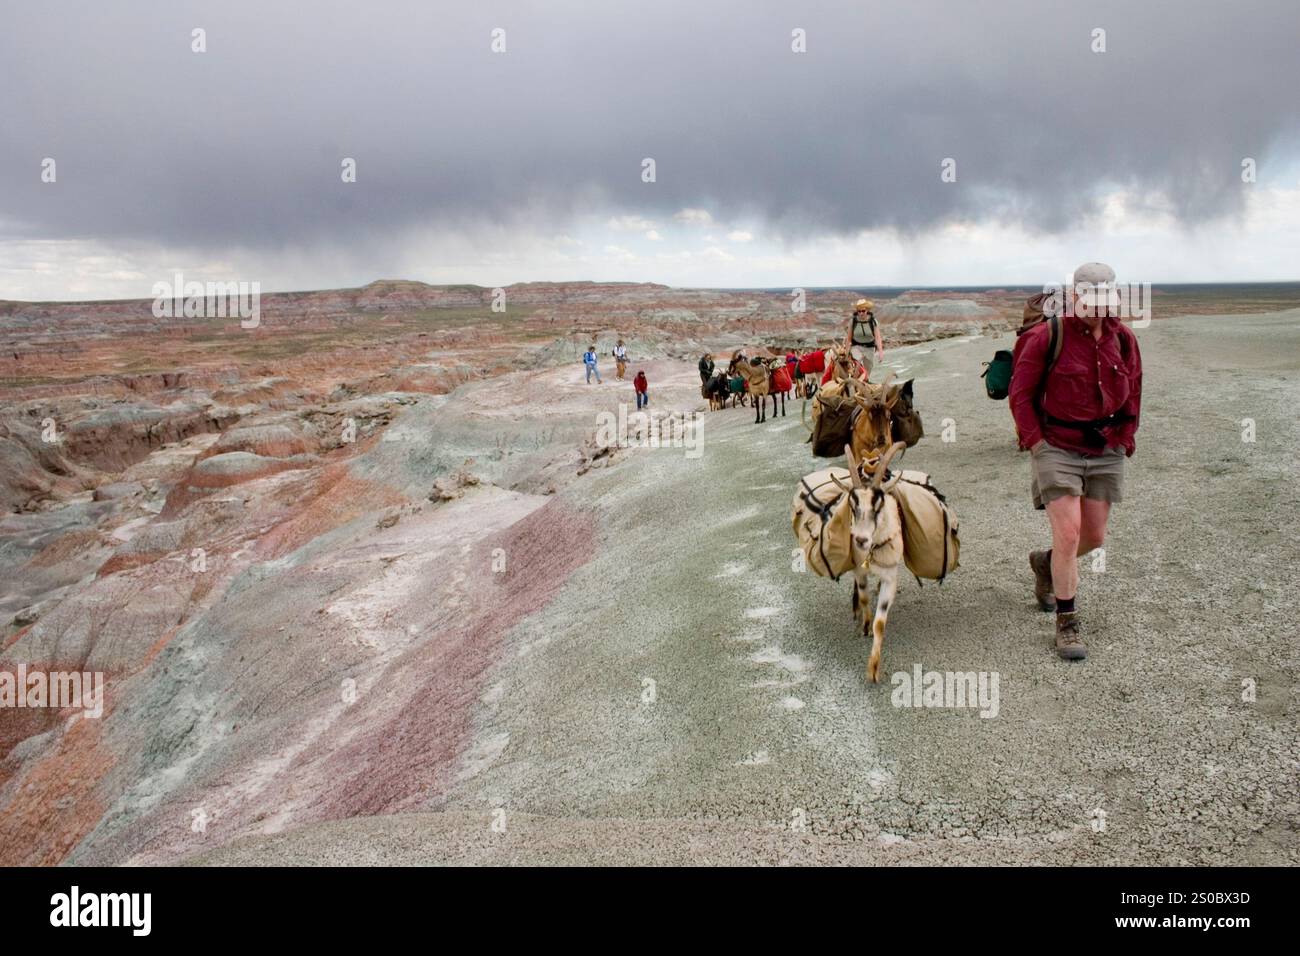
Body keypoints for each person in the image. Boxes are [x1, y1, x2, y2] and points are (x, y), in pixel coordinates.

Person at [1009, 262, 1142, 661]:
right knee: (1069, 534)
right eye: (1091, 299)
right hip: (1056, 444)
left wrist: (1126, 437)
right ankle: (1067, 622)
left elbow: (1133, 389)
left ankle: (1045, 564)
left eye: (1106, 299)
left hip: (1105, 447)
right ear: (1076, 297)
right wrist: (1035, 443)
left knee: (1094, 537)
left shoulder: (1124, 339)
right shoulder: (1047, 337)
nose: (1099, 308)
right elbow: (1020, 393)